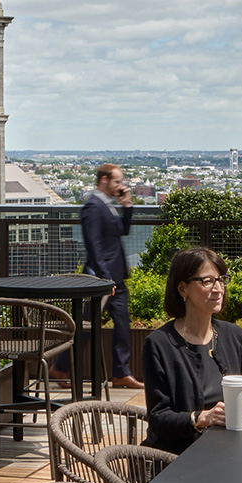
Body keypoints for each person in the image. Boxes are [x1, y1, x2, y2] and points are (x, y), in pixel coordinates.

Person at [143, 245, 242, 451]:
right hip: (179, 458)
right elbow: (158, 418)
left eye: (221, 280)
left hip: (228, 449)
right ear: (183, 289)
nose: (218, 289)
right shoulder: (159, 343)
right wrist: (201, 418)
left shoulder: (231, 334)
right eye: (207, 281)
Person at [80, 162, 144, 390]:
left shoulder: (107, 204)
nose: (121, 185)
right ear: (104, 180)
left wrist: (126, 206)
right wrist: (105, 279)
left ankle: (121, 373)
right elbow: (94, 246)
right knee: (87, 327)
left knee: (122, 324)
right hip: (102, 279)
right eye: (117, 181)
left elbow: (122, 231)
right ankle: (61, 367)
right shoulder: (93, 206)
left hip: (115, 278)